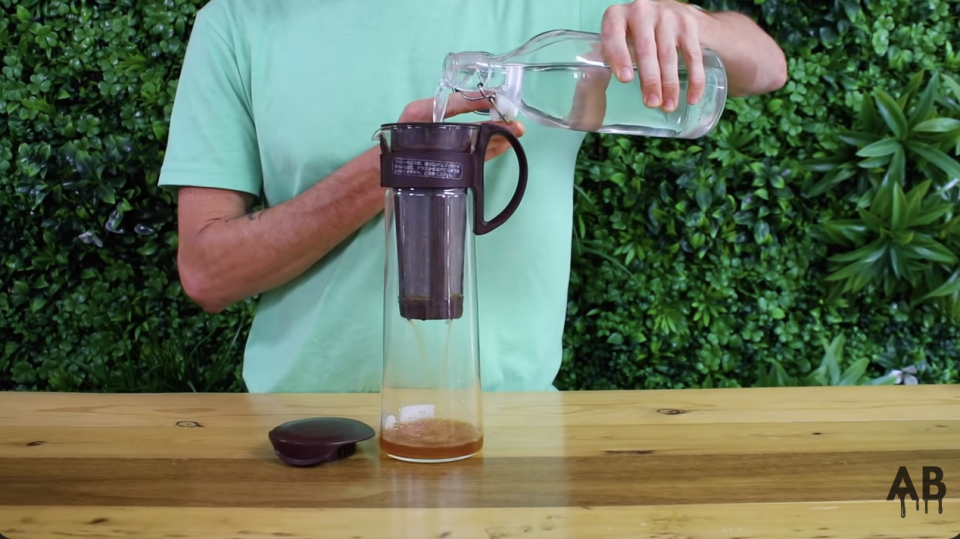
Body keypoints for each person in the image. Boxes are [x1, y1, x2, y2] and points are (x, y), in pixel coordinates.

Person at [158, 0, 787, 393]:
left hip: (513, 432)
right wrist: (401, 162)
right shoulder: (239, 22)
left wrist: (694, 22)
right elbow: (208, 273)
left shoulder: (555, 13)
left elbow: (766, 66)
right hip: (305, 430)